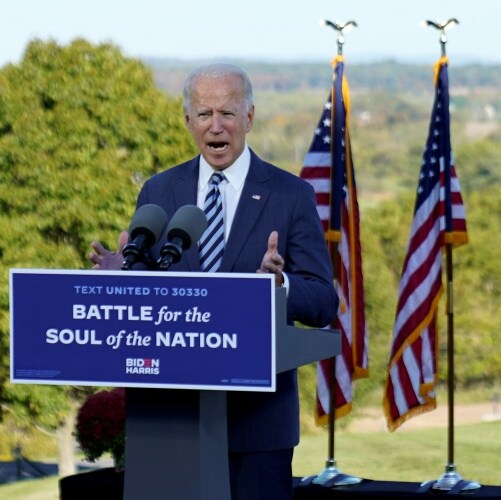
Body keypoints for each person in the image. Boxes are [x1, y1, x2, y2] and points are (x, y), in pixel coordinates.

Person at [89, 63, 338, 500]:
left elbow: (321, 301)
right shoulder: (159, 192)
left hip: (257, 428)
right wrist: (120, 278)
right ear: (188, 121)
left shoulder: (289, 194)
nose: (216, 126)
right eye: (204, 114)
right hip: (171, 424)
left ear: (250, 117)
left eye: (227, 113)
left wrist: (277, 287)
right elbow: (145, 296)